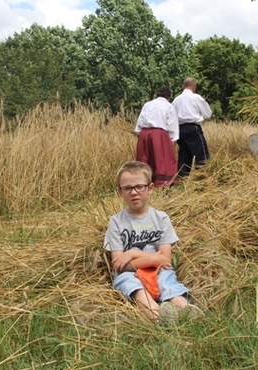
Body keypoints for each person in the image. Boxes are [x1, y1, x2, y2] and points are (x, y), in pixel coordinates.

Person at [104, 161, 203, 323]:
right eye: (127, 188)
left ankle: (186, 313)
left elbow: (164, 260)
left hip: (159, 271)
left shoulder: (161, 218)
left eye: (139, 187)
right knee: (132, 285)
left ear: (150, 188)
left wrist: (133, 254)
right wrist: (151, 258)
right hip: (130, 273)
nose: (134, 192)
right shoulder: (116, 222)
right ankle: (157, 317)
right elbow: (118, 265)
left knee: (168, 282)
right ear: (120, 192)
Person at [135, 87, 179, 187]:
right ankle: (162, 182)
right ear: (168, 96)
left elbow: (140, 123)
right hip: (159, 134)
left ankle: (144, 181)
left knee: (145, 157)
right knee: (162, 158)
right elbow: (172, 125)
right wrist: (171, 139)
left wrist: (141, 135)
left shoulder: (147, 104)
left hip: (144, 133)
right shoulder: (169, 106)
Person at [172, 77, 212, 177]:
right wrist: (199, 117)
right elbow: (208, 114)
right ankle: (202, 178)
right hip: (192, 128)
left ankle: (182, 178)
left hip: (180, 129)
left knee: (184, 155)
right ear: (194, 86)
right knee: (201, 155)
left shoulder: (176, 100)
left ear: (183, 86)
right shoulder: (196, 98)